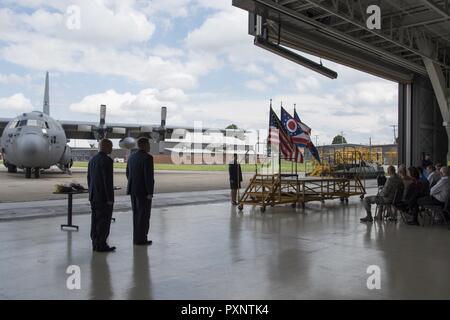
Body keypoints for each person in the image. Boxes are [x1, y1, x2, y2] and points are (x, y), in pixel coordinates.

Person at [87, 139, 115, 252]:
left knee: (94, 220)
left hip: (94, 195)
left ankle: (95, 243)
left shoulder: (92, 160)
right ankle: (102, 244)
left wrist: (91, 193)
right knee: (104, 221)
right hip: (103, 197)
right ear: (106, 147)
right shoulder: (107, 161)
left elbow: (89, 178)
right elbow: (107, 181)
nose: (112, 149)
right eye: (111, 147)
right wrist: (110, 198)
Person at [126, 137, 154, 245]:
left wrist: (134, 185)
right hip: (144, 192)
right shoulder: (148, 158)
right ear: (144, 145)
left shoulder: (131, 157)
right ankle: (142, 239)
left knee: (136, 215)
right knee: (144, 216)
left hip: (133, 190)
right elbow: (148, 177)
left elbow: (128, 174)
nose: (149, 147)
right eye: (148, 144)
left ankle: (136, 238)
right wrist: (150, 192)